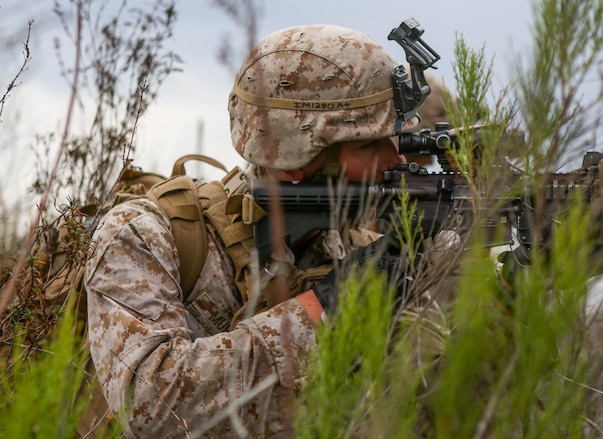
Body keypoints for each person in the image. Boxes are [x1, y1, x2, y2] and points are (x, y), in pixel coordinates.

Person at [83, 23, 427, 438]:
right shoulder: (147, 235)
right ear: (292, 158)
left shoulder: (359, 252)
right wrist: (326, 309)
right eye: (370, 145)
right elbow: (152, 406)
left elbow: (434, 401)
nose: (398, 160)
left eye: (396, 138)